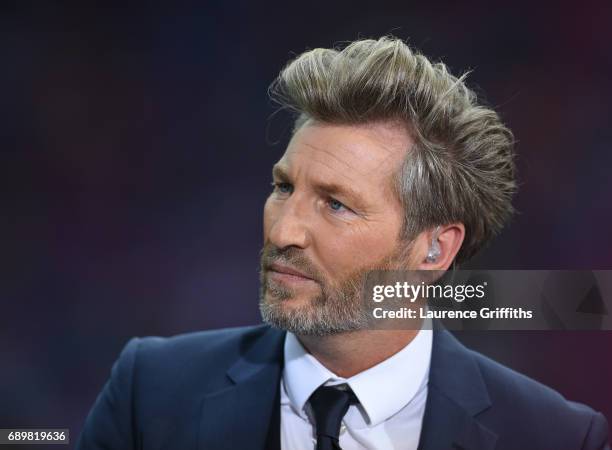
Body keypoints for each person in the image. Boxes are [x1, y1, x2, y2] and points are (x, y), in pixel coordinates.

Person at [77, 36, 610, 450]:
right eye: (284, 187)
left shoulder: (555, 436)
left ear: (435, 249)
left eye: (336, 204)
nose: (284, 232)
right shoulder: (150, 392)